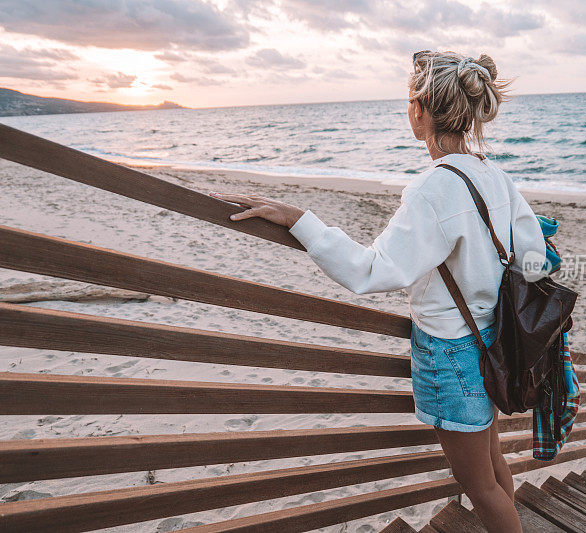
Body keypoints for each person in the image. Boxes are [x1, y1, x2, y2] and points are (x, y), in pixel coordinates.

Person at [210, 50, 545, 532]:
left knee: (481, 487)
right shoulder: (494, 175)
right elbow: (532, 258)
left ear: (420, 111)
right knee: (494, 466)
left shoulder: (432, 189)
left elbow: (373, 270)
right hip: (492, 340)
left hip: (452, 353)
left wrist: (300, 221)